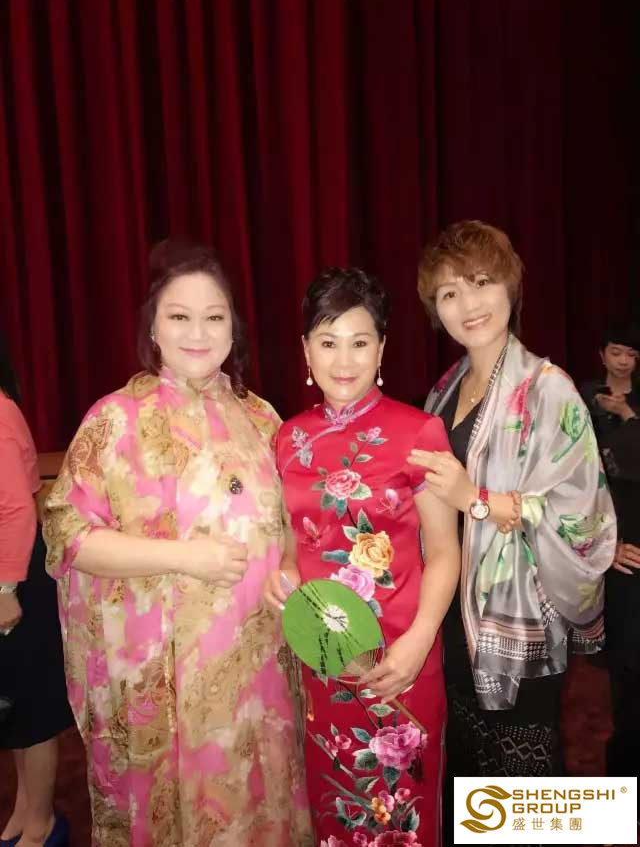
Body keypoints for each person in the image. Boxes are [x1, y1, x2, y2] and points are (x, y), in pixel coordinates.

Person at [43, 241, 312, 846]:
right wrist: (183, 558)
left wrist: (291, 567)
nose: (198, 332)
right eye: (179, 316)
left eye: (214, 317)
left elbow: (292, 523)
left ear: (233, 328)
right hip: (162, 686)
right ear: (153, 327)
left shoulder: (263, 419)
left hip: (260, 669)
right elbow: (67, 534)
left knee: (261, 804)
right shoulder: (116, 419)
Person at [409, 220, 616, 840]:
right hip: (454, 620)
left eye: (480, 282)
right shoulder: (444, 390)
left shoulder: (549, 391)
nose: (467, 304)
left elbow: (583, 520)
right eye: (449, 293)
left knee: (521, 799)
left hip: (517, 626)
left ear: (510, 286)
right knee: (470, 782)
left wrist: (475, 500)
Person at [264, 267, 461, 847]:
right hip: (326, 659)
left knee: (402, 820)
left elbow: (444, 551)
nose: (343, 360)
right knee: (336, 814)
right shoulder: (288, 437)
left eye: (359, 342)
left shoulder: (420, 432)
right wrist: (284, 574)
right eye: (328, 342)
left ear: (381, 349)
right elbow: (296, 542)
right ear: (306, 350)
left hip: (401, 659)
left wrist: (419, 641)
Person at [0, 331, 73, 847]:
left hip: (16, 576)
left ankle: (43, 821)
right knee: (11, 706)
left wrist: (5, 588)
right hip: (6, 574)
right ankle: (24, 809)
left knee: (32, 710)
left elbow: (16, 510)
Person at [580, 322, 640, 779]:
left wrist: (629, 417)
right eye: (616, 352)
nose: (623, 361)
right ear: (602, 354)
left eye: (631, 354)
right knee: (623, 660)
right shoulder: (582, 399)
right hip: (606, 533)